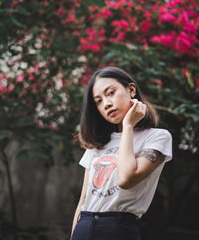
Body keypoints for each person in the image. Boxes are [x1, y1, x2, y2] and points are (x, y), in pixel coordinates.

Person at [70, 67, 172, 240]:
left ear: (131, 90)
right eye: (99, 101)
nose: (106, 104)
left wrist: (128, 127)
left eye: (110, 93)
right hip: (84, 226)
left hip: (117, 228)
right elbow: (83, 201)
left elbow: (125, 179)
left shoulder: (157, 137)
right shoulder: (97, 144)